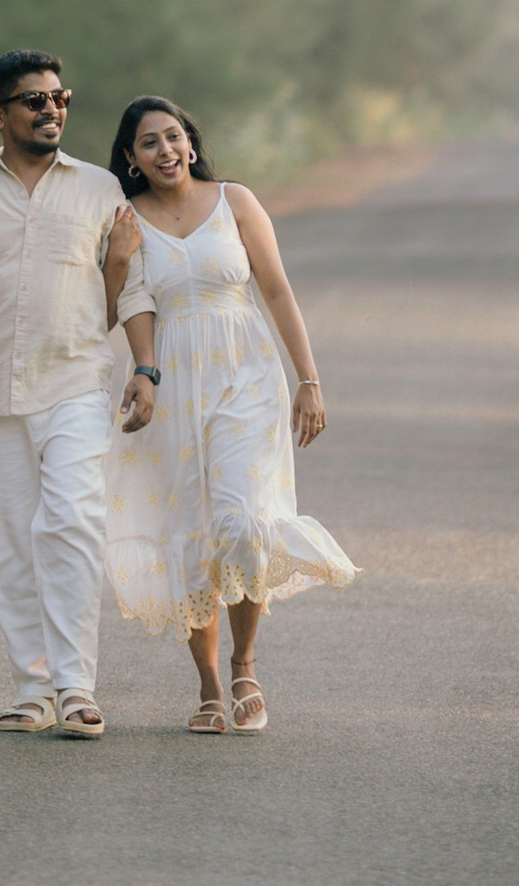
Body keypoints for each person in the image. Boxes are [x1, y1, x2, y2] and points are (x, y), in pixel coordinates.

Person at [0, 49, 161, 739]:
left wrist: (145, 369)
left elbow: (134, 288)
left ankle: (76, 685)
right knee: (11, 539)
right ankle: (33, 685)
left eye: (60, 97)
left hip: (78, 382)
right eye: (34, 100)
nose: (51, 108)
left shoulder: (98, 189)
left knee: (73, 522)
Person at [101, 94, 356, 732]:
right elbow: (112, 313)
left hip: (246, 377)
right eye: (149, 143)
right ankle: (210, 686)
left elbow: (275, 289)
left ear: (190, 141)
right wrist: (119, 264)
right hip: (174, 385)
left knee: (242, 523)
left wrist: (309, 379)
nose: (166, 151)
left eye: (174, 137)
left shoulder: (235, 201)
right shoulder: (126, 220)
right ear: (131, 159)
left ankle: (245, 664)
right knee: (192, 532)